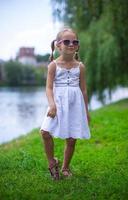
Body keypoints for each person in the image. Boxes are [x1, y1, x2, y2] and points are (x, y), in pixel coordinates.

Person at [40, 28, 91, 180]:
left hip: (76, 104)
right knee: (45, 132)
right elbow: (49, 88)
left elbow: (84, 90)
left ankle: (65, 168)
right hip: (58, 103)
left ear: (77, 46)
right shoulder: (53, 65)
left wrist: (86, 112)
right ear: (58, 45)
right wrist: (52, 105)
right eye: (67, 41)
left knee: (71, 137)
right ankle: (52, 162)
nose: (71, 44)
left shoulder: (80, 66)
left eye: (74, 42)